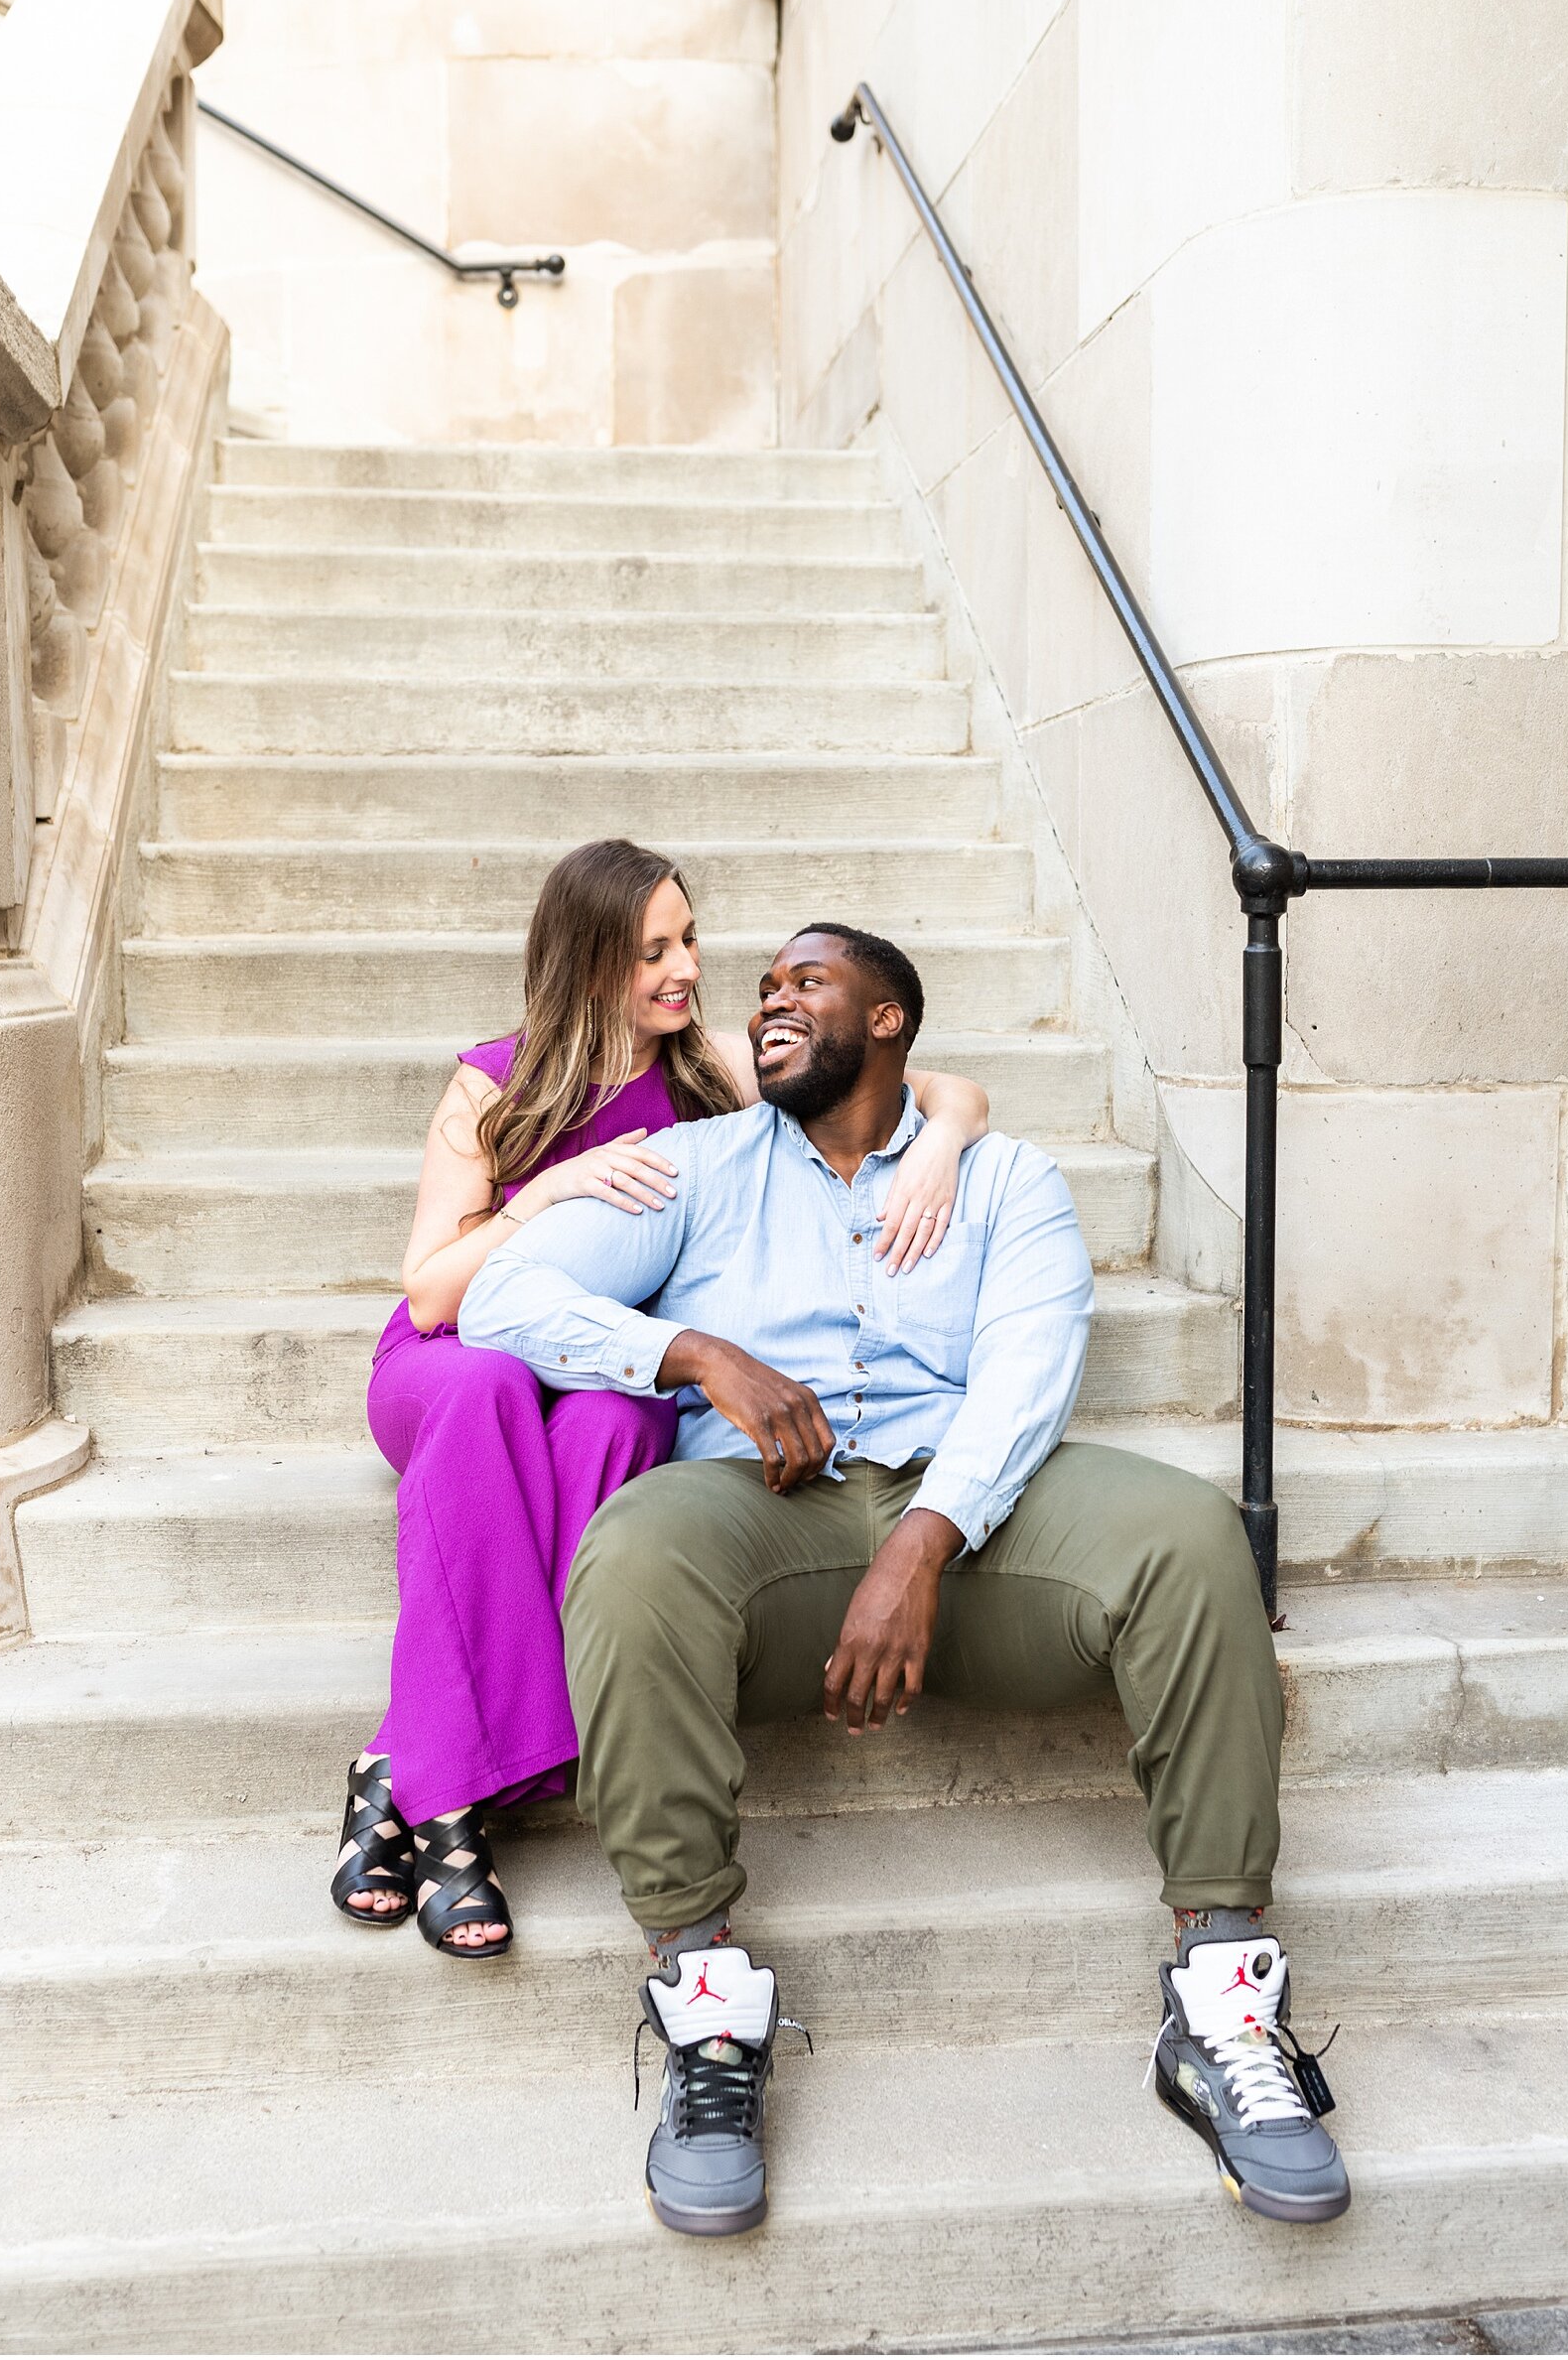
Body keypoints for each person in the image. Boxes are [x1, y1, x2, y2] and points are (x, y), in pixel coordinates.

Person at [457, 921, 1351, 2229]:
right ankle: (703, 2001)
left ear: (889, 1020)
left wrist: (925, 1540)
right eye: (759, 988)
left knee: (1187, 1533)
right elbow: (499, 1297)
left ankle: (1222, 1990)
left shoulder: (1005, 1180)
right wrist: (695, 1354)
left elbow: (1030, 1372)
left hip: (974, 1518)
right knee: (636, 1548)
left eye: (803, 983)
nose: (766, 1001)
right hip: (773, 1515)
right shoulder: (694, 1169)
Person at [332, 844, 991, 1958]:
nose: (683, 969)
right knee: (491, 1389)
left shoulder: (715, 1066)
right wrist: (538, 1195)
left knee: (627, 1421)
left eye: (687, 939)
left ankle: (395, 1768)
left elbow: (942, 1085)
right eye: (651, 952)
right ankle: (446, 1806)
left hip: (604, 1362)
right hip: (460, 1363)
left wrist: (948, 1148)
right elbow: (435, 1290)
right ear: (589, 964)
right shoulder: (496, 1080)